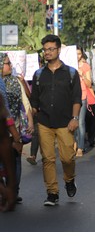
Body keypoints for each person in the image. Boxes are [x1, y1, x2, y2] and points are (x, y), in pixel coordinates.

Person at [30, 34, 82, 206]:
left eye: (51, 49)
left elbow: (76, 98)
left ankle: (69, 179)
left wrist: (75, 118)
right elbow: (34, 102)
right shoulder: (38, 75)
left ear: (59, 50)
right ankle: (52, 193)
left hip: (66, 123)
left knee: (67, 158)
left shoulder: (71, 73)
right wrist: (31, 121)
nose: (48, 52)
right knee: (48, 159)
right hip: (44, 122)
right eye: (45, 49)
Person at [1, 54, 34, 203]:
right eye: (7, 63)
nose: (10, 66)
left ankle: (14, 190)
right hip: (4, 129)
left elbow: (25, 103)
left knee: (15, 159)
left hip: (15, 126)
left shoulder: (16, 81)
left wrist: (30, 122)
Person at [0, 93, 17, 212]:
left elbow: (6, 117)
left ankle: (8, 194)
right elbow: (7, 117)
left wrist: (16, 137)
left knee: (9, 171)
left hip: (3, 140)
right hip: (4, 140)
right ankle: (8, 194)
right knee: (10, 171)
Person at [75, 46, 92, 157]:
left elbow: (89, 84)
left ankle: (80, 147)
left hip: (82, 96)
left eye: (79, 53)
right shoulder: (67, 66)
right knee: (72, 122)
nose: (77, 56)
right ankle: (74, 144)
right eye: (75, 53)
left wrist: (81, 74)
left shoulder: (85, 66)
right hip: (69, 98)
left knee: (80, 122)